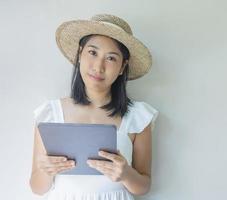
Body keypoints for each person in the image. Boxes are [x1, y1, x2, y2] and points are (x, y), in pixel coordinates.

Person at [29, 14, 159, 200]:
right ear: (80, 54)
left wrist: (126, 173)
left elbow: (143, 186)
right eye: (92, 52)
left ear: (123, 67)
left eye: (111, 58)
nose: (99, 66)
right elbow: (37, 187)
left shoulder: (138, 116)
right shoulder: (50, 113)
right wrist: (47, 170)